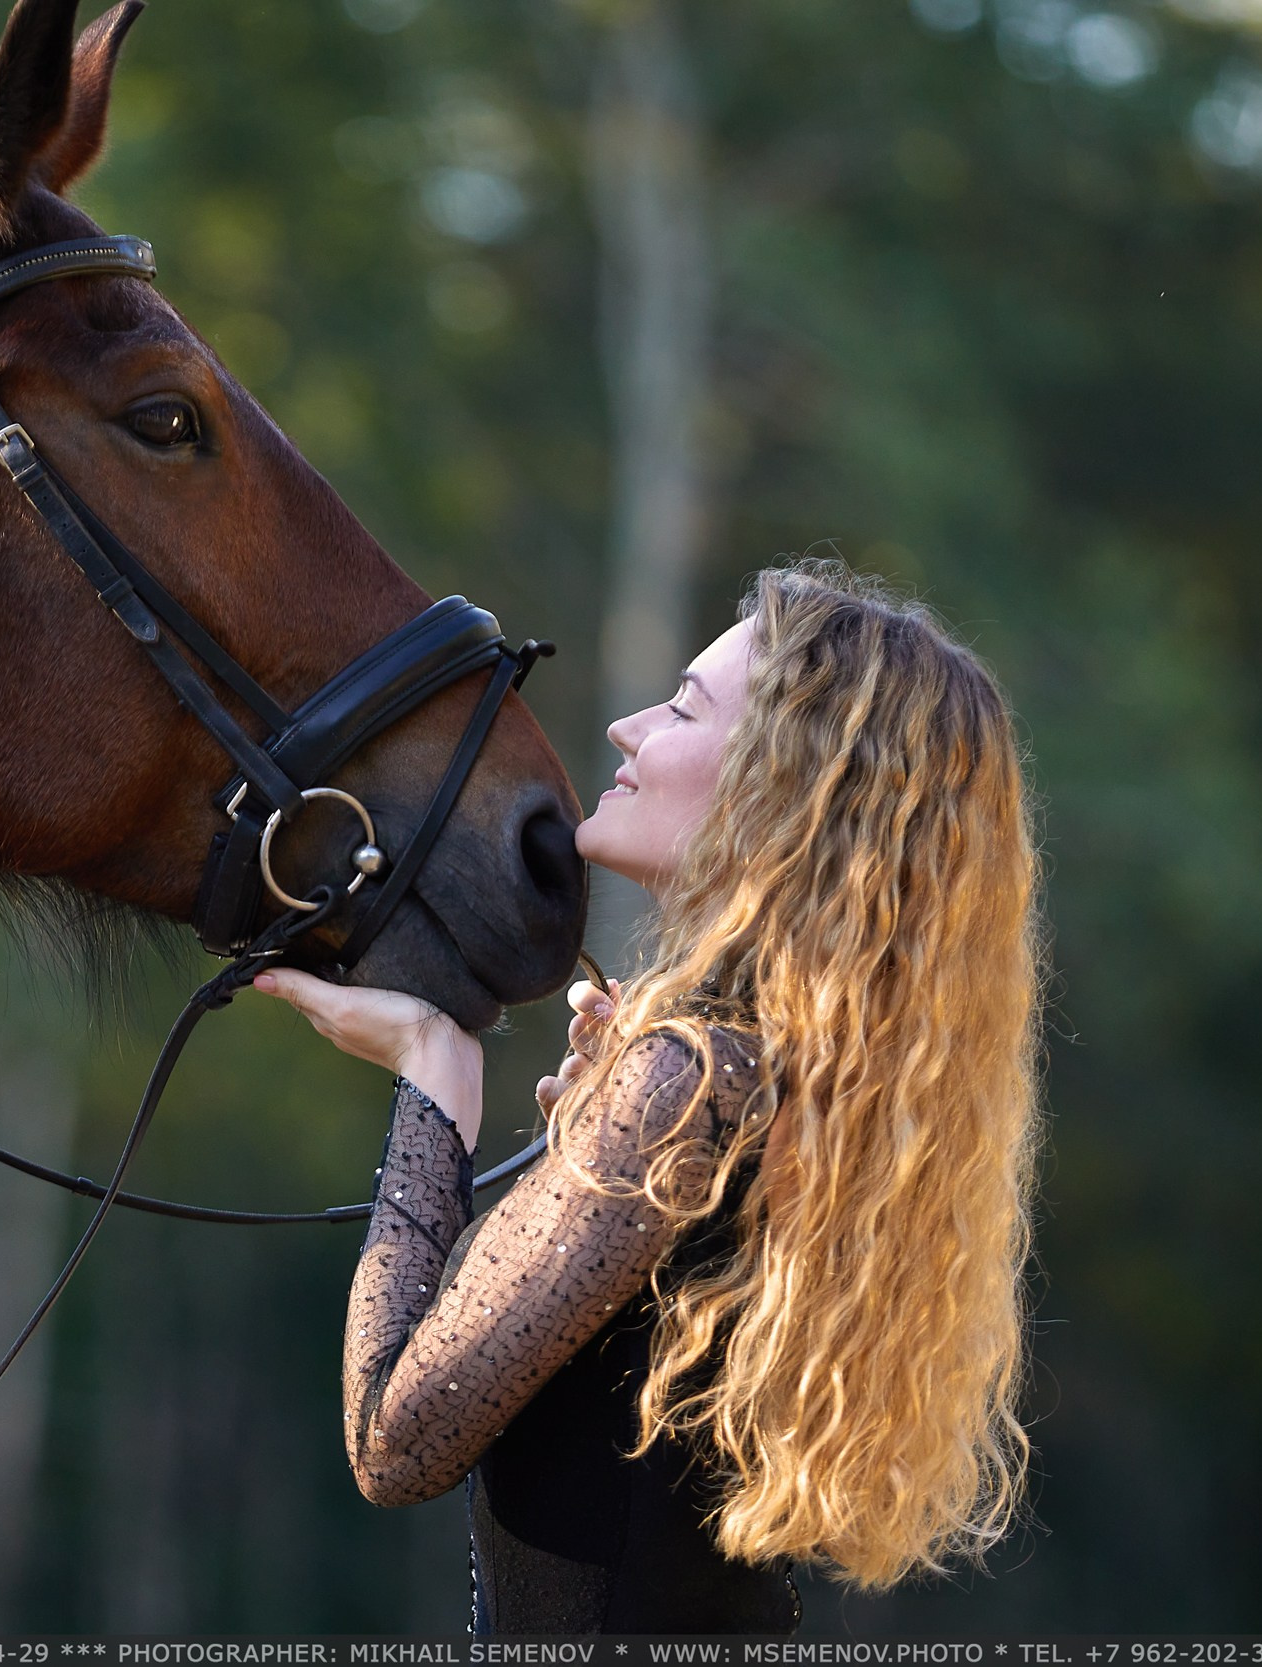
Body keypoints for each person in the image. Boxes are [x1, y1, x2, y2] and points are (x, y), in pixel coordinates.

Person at [257, 559, 1045, 1633]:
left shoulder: (694, 1079)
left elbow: (393, 1437)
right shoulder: (764, 1084)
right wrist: (588, 1140)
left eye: (680, 706)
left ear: (784, 782)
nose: (626, 728)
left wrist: (432, 1080)